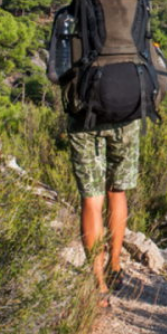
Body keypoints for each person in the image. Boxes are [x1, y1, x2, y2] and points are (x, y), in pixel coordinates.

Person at [67, 117, 141, 304]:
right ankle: (114, 265)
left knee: (92, 200)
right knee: (117, 191)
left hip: (83, 119)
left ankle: (99, 285)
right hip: (126, 119)